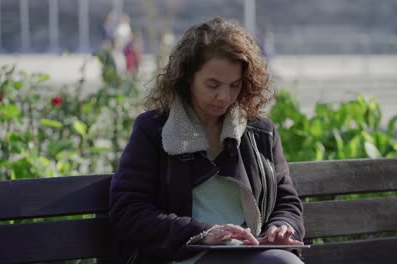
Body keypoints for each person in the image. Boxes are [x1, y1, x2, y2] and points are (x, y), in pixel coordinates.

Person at [108, 17, 305, 264]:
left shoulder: (260, 131)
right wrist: (202, 234)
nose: (224, 96)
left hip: (249, 251)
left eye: (235, 85)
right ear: (187, 77)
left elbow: (287, 202)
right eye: (212, 84)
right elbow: (129, 209)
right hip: (182, 254)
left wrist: (282, 227)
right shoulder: (153, 129)